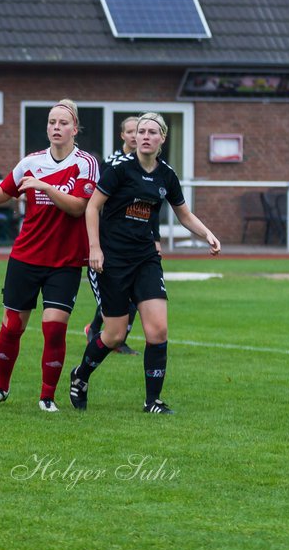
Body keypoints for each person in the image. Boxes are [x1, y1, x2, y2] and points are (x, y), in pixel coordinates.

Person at [69, 113, 221, 415]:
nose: (146, 136)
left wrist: (207, 234)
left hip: (145, 259)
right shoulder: (118, 170)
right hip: (111, 260)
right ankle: (80, 376)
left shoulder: (166, 175)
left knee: (158, 331)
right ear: (134, 138)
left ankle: (153, 401)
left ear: (163, 138)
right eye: (141, 131)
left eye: (153, 132)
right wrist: (95, 249)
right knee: (114, 335)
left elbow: (184, 214)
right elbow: (92, 208)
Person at [0, 99, 100, 412]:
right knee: (12, 326)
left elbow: (78, 207)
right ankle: (0, 388)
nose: (56, 128)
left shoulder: (86, 163)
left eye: (63, 123)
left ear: (75, 128)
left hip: (65, 262)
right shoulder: (31, 162)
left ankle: (47, 397)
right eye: (51, 122)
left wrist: (44, 185)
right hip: (26, 257)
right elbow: (4, 192)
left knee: (54, 328)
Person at [84, 116, 142, 356]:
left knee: (138, 295)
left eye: (138, 131)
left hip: (136, 241)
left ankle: (108, 335)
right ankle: (101, 333)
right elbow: (98, 204)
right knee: (115, 296)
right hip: (112, 239)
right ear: (123, 135)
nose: (134, 136)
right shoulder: (112, 164)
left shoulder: (150, 164)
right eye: (129, 131)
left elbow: (150, 206)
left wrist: (155, 238)